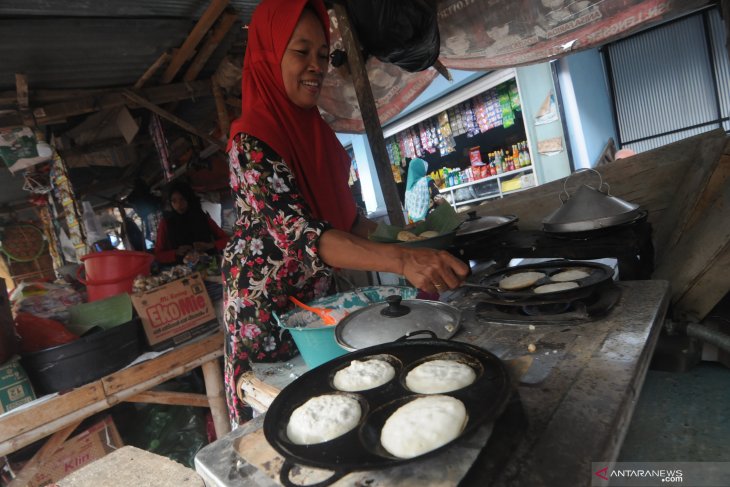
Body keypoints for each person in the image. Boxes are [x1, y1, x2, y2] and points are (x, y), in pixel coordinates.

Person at [222, 0, 469, 425]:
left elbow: (347, 222)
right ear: (268, 55)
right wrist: (403, 260)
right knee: (289, 424)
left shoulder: (315, 133)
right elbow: (305, 236)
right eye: (301, 52)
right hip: (265, 318)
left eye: (323, 54)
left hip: (315, 306)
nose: (316, 66)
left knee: (337, 410)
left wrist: (409, 240)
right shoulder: (250, 141)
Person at [154, 180, 228, 265]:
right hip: (182, 272)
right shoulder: (166, 223)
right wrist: (176, 252)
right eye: (174, 201)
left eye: (182, 199)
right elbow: (158, 255)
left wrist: (210, 246)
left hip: (210, 267)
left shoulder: (203, 218)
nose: (178, 205)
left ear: (189, 199)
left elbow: (226, 240)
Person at [404, 157, 444, 223]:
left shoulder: (407, 191)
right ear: (420, 169)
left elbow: (408, 210)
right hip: (433, 221)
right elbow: (439, 199)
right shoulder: (427, 181)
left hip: (417, 225)